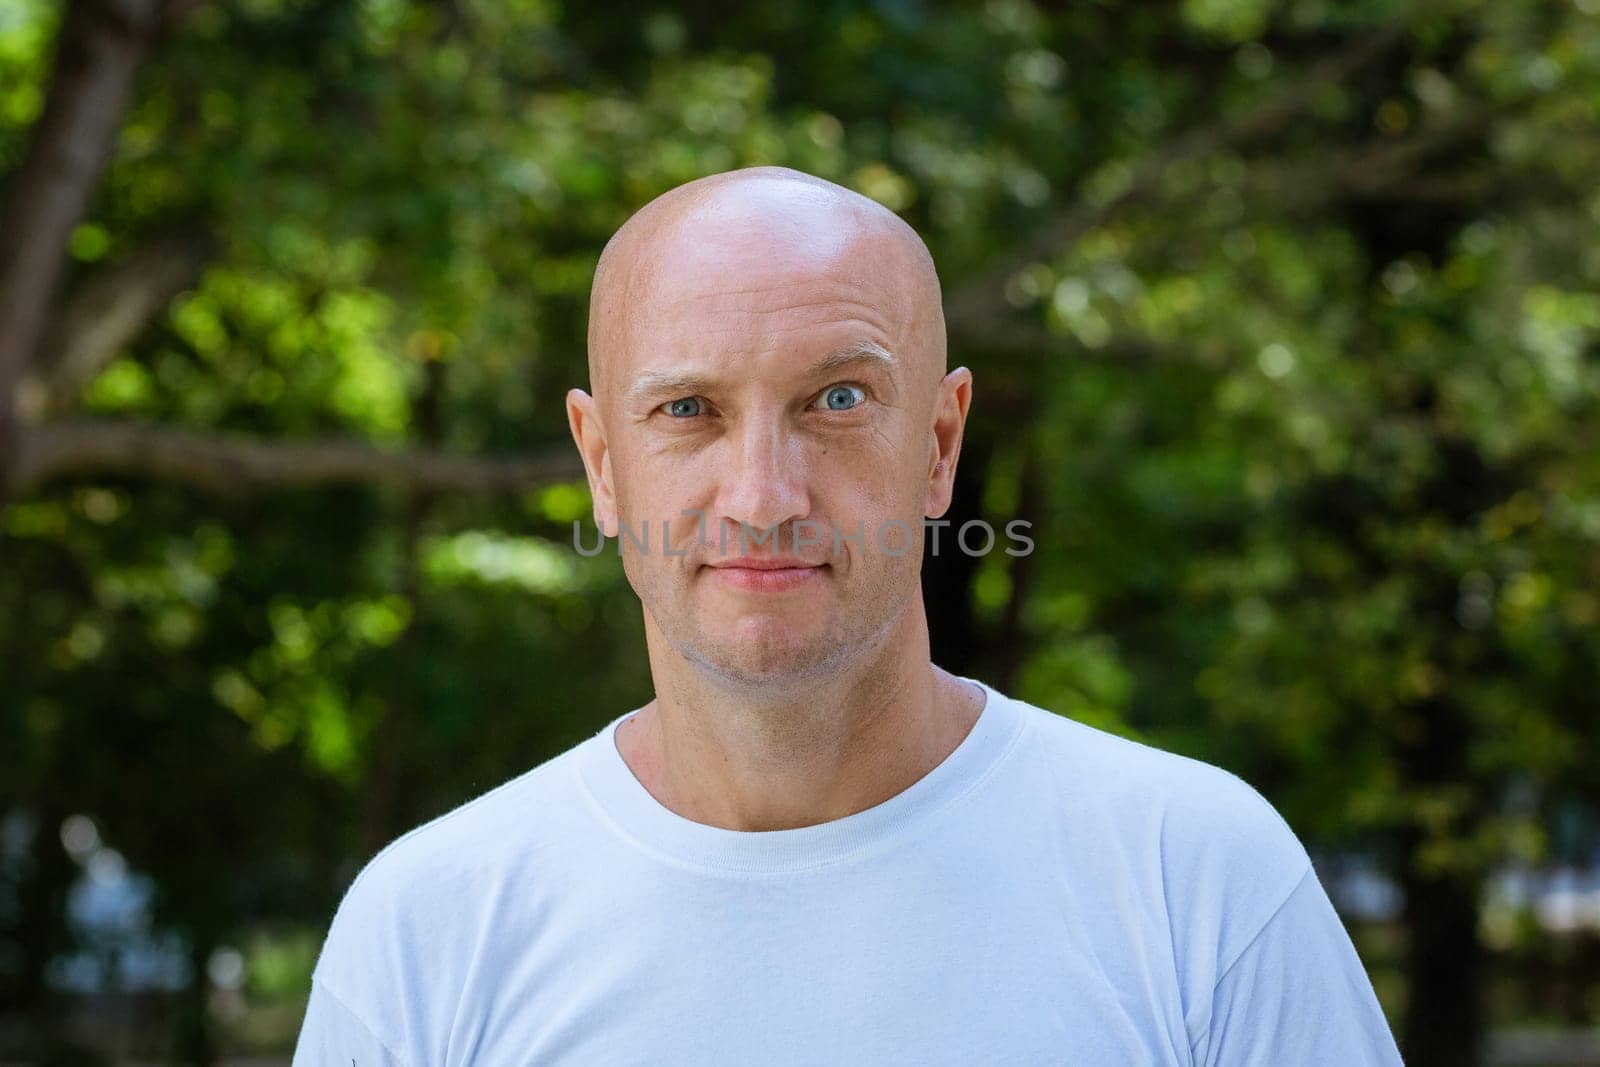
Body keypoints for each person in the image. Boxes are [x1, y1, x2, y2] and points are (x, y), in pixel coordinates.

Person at [292, 166, 1404, 1065]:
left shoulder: (1194, 876)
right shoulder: (430, 926)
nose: (763, 496)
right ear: (601, 462)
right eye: (688, 409)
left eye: (836, 400)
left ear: (937, 444)